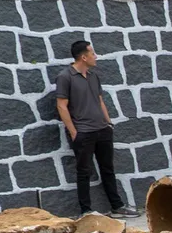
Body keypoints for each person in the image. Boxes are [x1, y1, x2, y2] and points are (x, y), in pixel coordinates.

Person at [55, 40, 136, 217]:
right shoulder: (65, 77)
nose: (95, 56)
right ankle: (86, 211)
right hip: (83, 132)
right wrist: (74, 132)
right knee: (84, 172)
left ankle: (117, 207)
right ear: (84, 57)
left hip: (102, 130)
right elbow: (61, 105)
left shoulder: (93, 76)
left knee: (108, 169)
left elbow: (100, 101)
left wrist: (109, 123)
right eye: (92, 53)